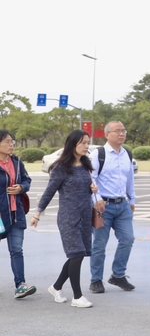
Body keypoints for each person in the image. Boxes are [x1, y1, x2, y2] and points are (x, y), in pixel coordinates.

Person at [30, 130, 98, 308]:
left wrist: (93, 189)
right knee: (76, 254)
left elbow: (85, 188)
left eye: (88, 142)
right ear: (72, 144)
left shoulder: (86, 164)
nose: (86, 146)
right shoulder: (61, 168)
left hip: (85, 216)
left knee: (79, 254)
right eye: (83, 142)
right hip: (69, 217)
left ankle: (56, 287)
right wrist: (37, 213)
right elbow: (49, 192)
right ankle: (77, 297)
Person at [89, 120, 136, 293]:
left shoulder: (127, 154)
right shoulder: (98, 154)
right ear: (107, 134)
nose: (121, 134)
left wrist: (132, 199)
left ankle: (118, 275)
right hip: (103, 206)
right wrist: (96, 199)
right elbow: (91, 178)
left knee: (128, 239)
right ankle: (96, 279)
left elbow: (129, 178)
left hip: (122, 205)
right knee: (99, 244)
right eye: (117, 131)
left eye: (123, 130)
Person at [0, 130, 35, 300]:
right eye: (7, 141)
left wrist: (21, 187)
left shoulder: (17, 162)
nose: (11, 144)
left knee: (16, 250)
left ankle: (20, 285)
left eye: (12, 141)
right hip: (0, 215)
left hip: (16, 212)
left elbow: (27, 180)